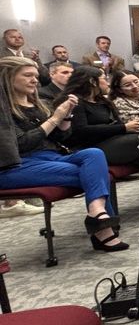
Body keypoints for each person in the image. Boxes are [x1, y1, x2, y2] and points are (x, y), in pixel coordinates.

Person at [0, 56, 128, 251]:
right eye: (27, 75)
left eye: (35, 75)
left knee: (93, 154)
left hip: (53, 157)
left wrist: (65, 117)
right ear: (8, 78)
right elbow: (22, 144)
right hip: (20, 164)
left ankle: (97, 213)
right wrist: (55, 118)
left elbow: (61, 137)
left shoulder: (38, 103)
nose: (35, 80)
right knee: (96, 175)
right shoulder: (4, 110)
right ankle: (103, 229)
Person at [55, 66, 139, 170]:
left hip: (109, 140)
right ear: (93, 81)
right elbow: (81, 131)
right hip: (87, 147)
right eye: (104, 78)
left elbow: (117, 123)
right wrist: (124, 128)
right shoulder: (74, 101)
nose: (108, 83)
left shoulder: (102, 100)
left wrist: (131, 126)